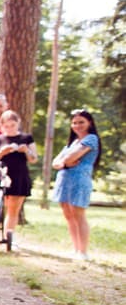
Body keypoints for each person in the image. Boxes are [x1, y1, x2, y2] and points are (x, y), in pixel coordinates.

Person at [51, 109, 102, 261]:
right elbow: (56, 162)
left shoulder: (91, 139)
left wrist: (66, 161)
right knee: (68, 215)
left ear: (89, 123)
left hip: (79, 179)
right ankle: (75, 249)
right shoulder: (73, 142)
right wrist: (65, 162)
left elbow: (68, 159)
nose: (77, 125)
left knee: (78, 214)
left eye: (81, 122)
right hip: (65, 180)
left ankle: (83, 251)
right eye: (74, 123)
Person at [0, 109, 37, 250]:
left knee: (13, 209)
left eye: (12, 125)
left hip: (20, 176)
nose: (9, 128)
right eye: (6, 126)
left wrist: (26, 151)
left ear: (18, 124)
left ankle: (8, 236)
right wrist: (2, 152)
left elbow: (34, 159)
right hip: (1, 175)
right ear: (1, 126)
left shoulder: (27, 138)